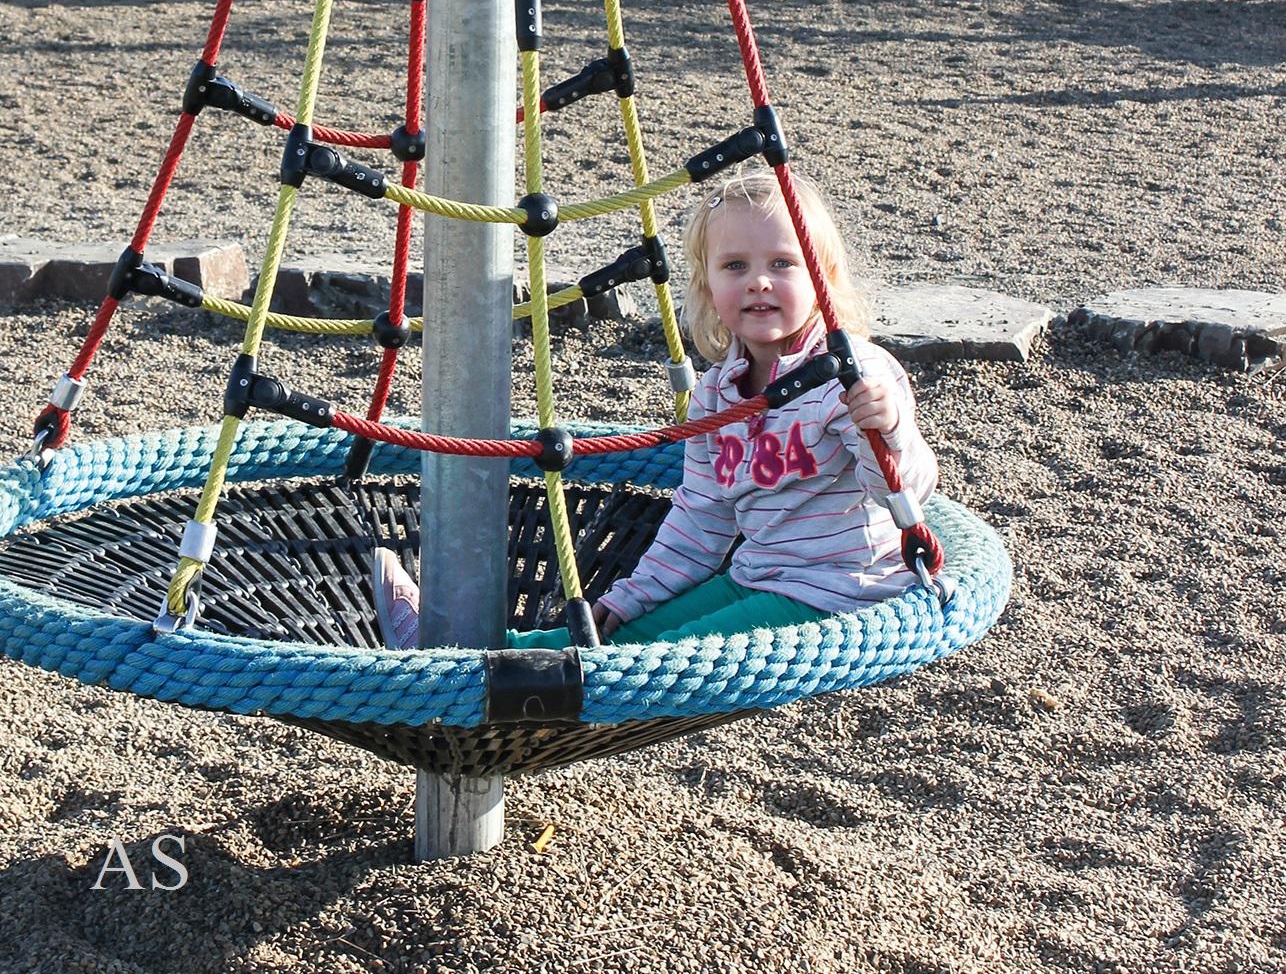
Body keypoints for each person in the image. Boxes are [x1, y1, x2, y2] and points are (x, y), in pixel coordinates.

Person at [372, 167, 938, 652]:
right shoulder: (716, 395)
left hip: (840, 593)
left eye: (784, 264)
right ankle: (462, 649)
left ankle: (469, 657)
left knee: (654, 660)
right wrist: (632, 596)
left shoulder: (851, 373)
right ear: (708, 284)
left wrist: (887, 428)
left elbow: (904, 490)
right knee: (617, 634)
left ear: (823, 277)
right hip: (759, 579)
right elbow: (702, 515)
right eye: (735, 266)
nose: (759, 281)